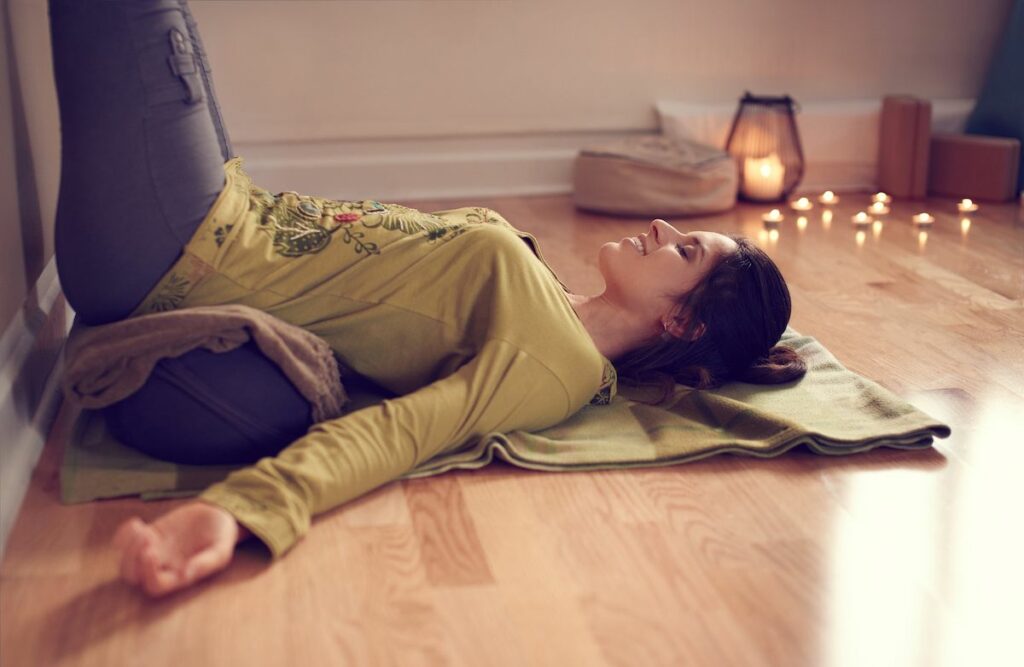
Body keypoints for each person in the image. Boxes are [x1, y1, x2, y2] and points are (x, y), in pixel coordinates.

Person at [48, 0, 805, 598]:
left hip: (180, 249)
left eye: (686, 249)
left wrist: (237, 511)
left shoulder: (554, 366)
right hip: (226, 209)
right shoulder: (555, 301)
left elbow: (400, 434)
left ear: (681, 319)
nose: (662, 226)